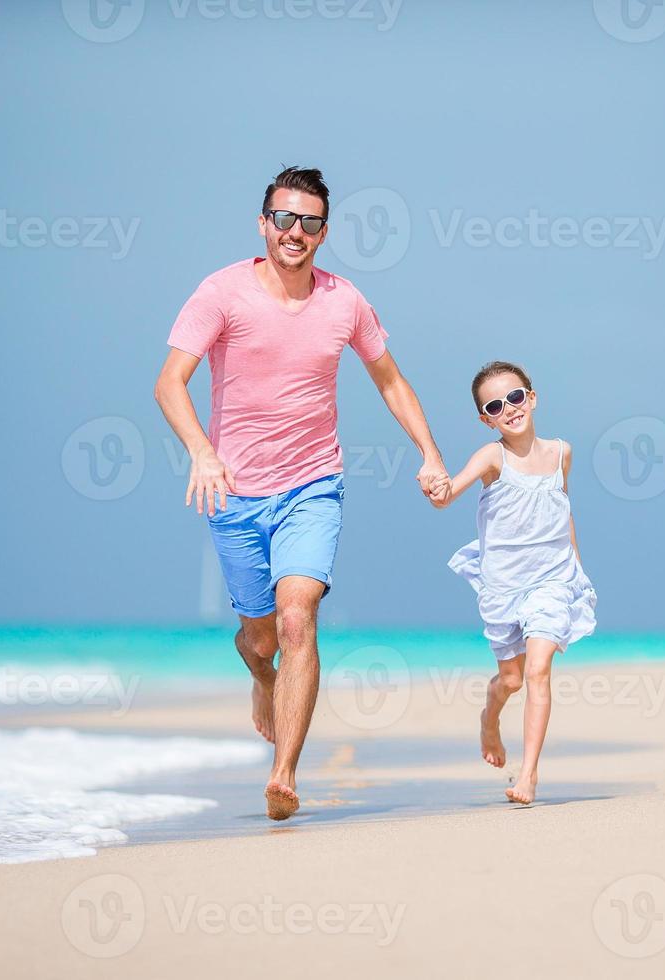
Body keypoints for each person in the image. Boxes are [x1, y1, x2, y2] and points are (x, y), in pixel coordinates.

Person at [154, 166, 448, 820]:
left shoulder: (345, 302)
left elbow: (391, 382)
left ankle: (284, 772)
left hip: (313, 485)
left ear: (324, 232)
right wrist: (201, 453)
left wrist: (429, 453)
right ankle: (262, 678)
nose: (296, 231)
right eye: (284, 219)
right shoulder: (221, 292)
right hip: (233, 493)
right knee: (258, 639)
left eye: (309, 222)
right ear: (264, 225)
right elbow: (170, 383)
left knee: (297, 618)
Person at [428, 360, 597, 805]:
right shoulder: (491, 457)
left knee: (539, 670)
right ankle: (490, 717)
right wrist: (435, 485)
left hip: (553, 580)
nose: (510, 408)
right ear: (486, 419)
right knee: (512, 680)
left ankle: (528, 776)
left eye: (516, 397)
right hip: (503, 584)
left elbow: (563, 509)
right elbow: (448, 496)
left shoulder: (562, 452)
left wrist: (576, 570)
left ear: (533, 397)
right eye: (496, 405)